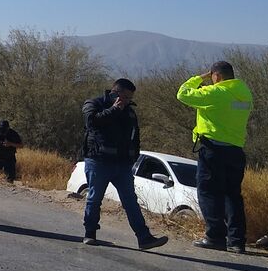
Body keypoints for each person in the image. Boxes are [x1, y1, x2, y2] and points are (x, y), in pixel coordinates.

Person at [81, 79, 168, 250]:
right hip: (98, 161)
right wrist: (114, 110)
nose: (128, 100)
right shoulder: (94, 103)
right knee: (94, 198)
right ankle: (90, 233)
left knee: (130, 201)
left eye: (130, 98)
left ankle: (144, 238)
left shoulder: (129, 111)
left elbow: (135, 136)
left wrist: (133, 156)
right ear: (116, 92)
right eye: (126, 97)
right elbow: (92, 122)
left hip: (122, 165)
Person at [177, 61, 254, 254]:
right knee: (232, 196)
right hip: (236, 150)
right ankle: (236, 241)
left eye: (212, 77)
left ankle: (215, 237)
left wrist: (199, 78)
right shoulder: (244, 93)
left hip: (213, 150)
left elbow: (183, 93)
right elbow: (227, 106)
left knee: (208, 192)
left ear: (216, 76)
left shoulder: (215, 93)